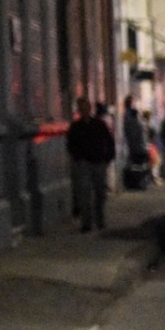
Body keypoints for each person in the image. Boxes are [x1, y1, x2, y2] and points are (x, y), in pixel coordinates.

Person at [64, 97, 116, 233]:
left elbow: (109, 141)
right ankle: (86, 223)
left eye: (86, 107)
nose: (84, 110)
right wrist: (77, 157)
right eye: (82, 108)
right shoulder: (75, 127)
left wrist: (108, 157)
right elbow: (70, 144)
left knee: (100, 192)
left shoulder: (99, 124)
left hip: (98, 162)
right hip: (84, 163)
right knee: (85, 193)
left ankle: (99, 219)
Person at [122, 98, 151, 190]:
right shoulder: (139, 125)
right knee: (143, 167)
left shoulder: (127, 123)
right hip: (141, 149)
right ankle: (141, 183)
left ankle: (133, 184)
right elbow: (143, 137)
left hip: (132, 149)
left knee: (133, 167)